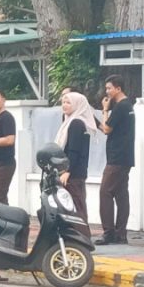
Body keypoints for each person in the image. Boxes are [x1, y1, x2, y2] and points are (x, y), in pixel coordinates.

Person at [95, 75, 135, 245]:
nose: (107, 92)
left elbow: (107, 129)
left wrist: (104, 110)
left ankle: (108, 232)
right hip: (125, 156)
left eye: (109, 88)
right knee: (121, 194)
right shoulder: (128, 106)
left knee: (105, 192)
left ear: (118, 88)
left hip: (117, 157)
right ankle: (120, 233)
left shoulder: (120, 106)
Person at [57, 92, 97, 238]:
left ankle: (82, 236)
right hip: (75, 172)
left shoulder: (76, 123)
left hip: (73, 174)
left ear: (77, 105)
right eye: (63, 102)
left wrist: (68, 171)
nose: (64, 105)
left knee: (76, 205)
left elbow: (74, 150)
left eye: (68, 103)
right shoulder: (72, 121)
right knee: (75, 203)